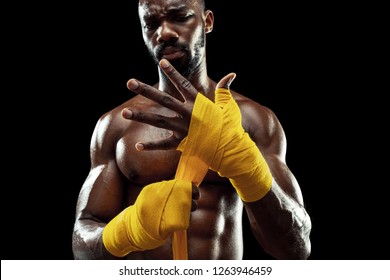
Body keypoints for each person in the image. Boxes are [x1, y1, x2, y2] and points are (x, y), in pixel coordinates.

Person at [72, 0, 312, 260]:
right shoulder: (117, 124)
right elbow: (82, 246)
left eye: (179, 17)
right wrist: (127, 230)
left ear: (207, 22)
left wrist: (243, 163)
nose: (164, 32)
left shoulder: (253, 120)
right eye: (151, 24)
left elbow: (295, 248)